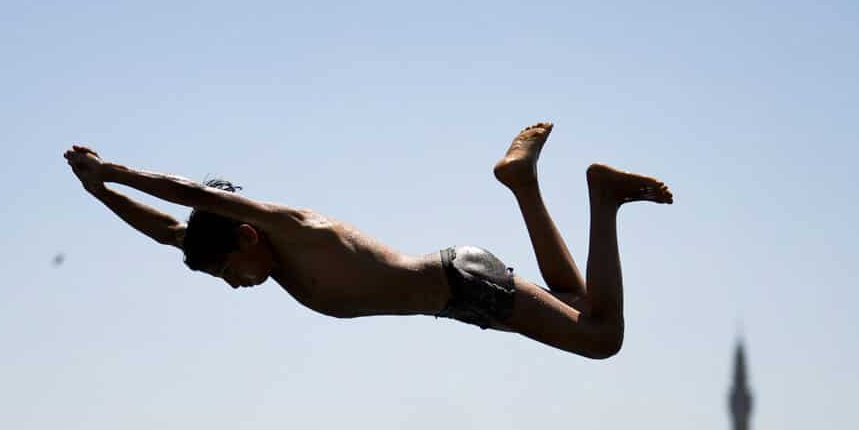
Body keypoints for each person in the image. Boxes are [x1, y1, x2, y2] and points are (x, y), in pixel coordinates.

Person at [63, 122, 672, 360]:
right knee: (577, 301)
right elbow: (172, 230)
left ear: (247, 237)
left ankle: (603, 198)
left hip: (462, 284)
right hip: (460, 289)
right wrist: (100, 195)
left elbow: (196, 199)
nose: (236, 284)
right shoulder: (263, 257)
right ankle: (522, 184)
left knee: (602, 338)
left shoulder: (293, 228)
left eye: (230, 272)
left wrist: (114, 169)